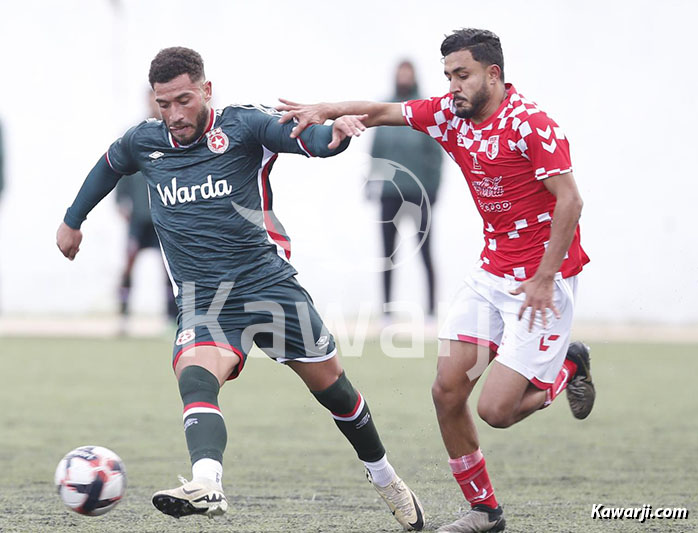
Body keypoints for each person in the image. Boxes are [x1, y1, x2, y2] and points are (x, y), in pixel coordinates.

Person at [56, 48, 425, 530]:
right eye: (164, 104)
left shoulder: (244, 126)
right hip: (204, 301)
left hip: (268, 287)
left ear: (206, 91)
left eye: (184, 100)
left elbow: (299, 135)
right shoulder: (144, 142)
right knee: (194, 375)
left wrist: (333, 137)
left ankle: (385, 478)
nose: (174, 114)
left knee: (335, 392)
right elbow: (109, 164)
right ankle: (207, 482)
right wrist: (72, 220)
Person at [278, 28, 594, 533]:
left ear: (494, 74)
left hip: (542, 282)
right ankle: (485, 512)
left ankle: (567, 370)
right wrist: (325, 109)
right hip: (491, 273)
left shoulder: (532, 125)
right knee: (447, 391)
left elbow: (570, 201)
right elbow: (383, 111)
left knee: (497, 410)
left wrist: (543, 276)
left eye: (462, 75)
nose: (453, 86)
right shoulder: (450, 114)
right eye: (448, 76)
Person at [369, 60, 442, 319]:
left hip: (419, 192)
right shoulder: (384, 109)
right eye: (400, 73)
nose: (403, 78)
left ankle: (432, 310)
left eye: (407, 74)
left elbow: (437, 154)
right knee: (388, 252)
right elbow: (375, 153)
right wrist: (371, 181)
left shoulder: (423, 110)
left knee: (425, 250)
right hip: (390, 193)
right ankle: (387, 312)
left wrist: (434, 190)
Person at [115, 90, 177, 329]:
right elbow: (119, 168)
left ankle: (171, 318)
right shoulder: (135, 135)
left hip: (165, 217)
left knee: (168, 268)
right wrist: (121, 201)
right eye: (153, 98)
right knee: (128, 263)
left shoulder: (176, 133)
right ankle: (123, 312)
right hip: (139, 216)